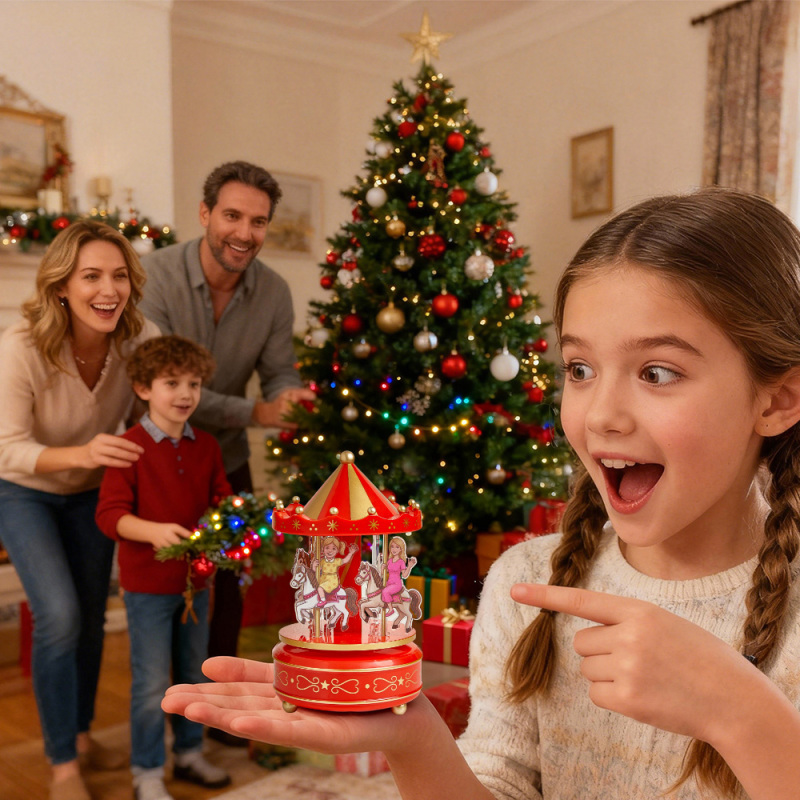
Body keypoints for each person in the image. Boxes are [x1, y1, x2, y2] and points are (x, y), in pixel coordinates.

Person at [162, 187, 800, 800]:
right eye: (579, 369)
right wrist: (411, 736)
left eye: (657, 373)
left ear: (777, 400)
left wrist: (739, 712)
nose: (601, 414)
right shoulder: (526, 583)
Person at [138, 162, 316, 733]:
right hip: (160, 457)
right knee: (162, 589)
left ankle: (220, 719)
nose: (244, 232)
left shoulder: (275, 291)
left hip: (227, 459)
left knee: (230, 592)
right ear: (205, 214)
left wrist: (291, 402)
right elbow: (165, 380)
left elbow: (280, 372)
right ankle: (167, 716)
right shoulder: (155, 276)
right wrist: (258, 412)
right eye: (233, 216)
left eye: (258, 221)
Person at [0, 220, 158, 800]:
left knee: (91, 617)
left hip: (92, 492)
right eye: (90, 276)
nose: (107, 290)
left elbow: (165, 406)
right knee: (60, 616)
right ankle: (62, 761)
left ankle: (83, 735)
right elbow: (4, 446)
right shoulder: (20, 346)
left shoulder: (139, 340)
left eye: (118, 275)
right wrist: (84, 452)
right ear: (61, 286)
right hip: (21, 490)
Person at [95, 335, 233, 800]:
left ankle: (190, 753)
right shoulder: (127, 447)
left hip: (198, 583)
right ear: (142, 387)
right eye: (171, 382)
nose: (185, 393)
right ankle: (147, 770)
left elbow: (220, 500)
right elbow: (109, 514)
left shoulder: (207, 446)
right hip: (147, 588)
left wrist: (235, 519)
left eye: (193, 383)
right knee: (152, 679)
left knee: (195, 672)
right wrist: (152, 530)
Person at [311, 536, 358, 607]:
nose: (330, 551)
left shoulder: (336, 561)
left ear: (337, 551)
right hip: (323, 579)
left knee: (320, 588)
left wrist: (350, 553)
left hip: (332, 580)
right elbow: (316, 571)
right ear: (323, 549)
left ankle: (323, 601)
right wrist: (314, 566)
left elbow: (345, 560)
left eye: (333, 548)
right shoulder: (322, 561)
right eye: (327, 548)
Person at [380, 536, 417, 603]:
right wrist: (382, 568)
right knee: (379, 593)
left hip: (396, 584)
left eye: (397, 547)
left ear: (401, 549)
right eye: (392, 546)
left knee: (385, 591)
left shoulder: (401, 562)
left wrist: (409, 567)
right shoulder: (390, 560)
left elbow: (404, 575)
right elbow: (384, 573)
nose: (394, 549)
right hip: (389, 582)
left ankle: (391, 609)